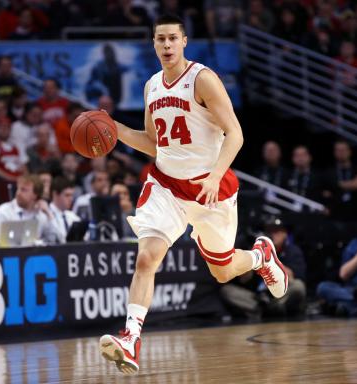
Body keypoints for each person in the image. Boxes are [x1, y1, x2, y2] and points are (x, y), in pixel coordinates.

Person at [98, 15, 287, 375]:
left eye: (172, 38)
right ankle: (130, 338)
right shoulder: (152, 85)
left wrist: (215, 176)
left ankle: (261, 256)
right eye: (160, 40)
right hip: (166, 185)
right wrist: (118, 130)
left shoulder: (203, 80)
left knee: (223, 270)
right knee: (146, 258)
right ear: (153, 44)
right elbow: (154, 143)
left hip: (209, 188)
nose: (166, 46)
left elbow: (235, 134)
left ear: (184, 41)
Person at [220, 217, 307, 320]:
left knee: (298, 286)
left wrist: (268, 257)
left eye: (277, 231)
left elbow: (291, 277)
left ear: (285, 234)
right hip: (257, 297)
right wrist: (252, 259)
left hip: (279, 296)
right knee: (226, 290)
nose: (273, 234)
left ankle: (272, 308)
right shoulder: (254, 248)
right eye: (270, 231)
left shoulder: (292, 251)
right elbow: (244, 279)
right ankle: (263, 310)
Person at [0, 174, 59, 247]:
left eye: (23, 190)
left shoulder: (41, 214)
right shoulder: (3, 212)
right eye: (18, 189)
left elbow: (55, 240)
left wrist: (48, 213)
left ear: (35, 195)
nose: (18, 193)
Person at [48, 176, 80, 244]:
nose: (71, 199)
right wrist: (49, 216)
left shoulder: (72, 216)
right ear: (55, 194)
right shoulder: (45, 215)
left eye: (72, 195)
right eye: (67, 195)